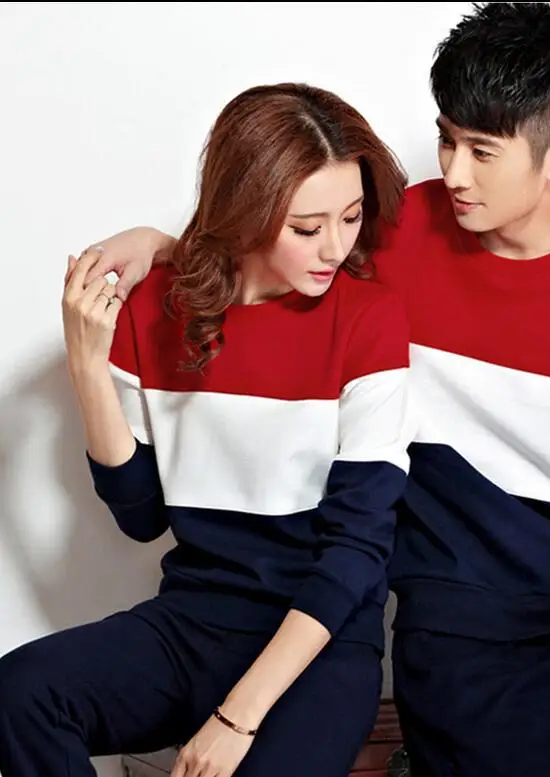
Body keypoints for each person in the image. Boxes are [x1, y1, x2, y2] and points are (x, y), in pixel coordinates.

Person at [64, 3, 550, 777]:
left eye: (482, 151)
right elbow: (273, 243)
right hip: (459, 624)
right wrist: (163, 245)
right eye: (446, 138)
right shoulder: (396, 233)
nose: (454, 173)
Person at [0, 82, 414, 777]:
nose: (335, 247)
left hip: (318, 644)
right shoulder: (155, 312)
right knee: (20, 694)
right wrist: (87, 366)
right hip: (193, 622)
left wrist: (235, 717)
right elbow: (141, 517)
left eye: (350, 217)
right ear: (248, 211)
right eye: (307, 228)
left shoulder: (368, 320)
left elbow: (357, 553)